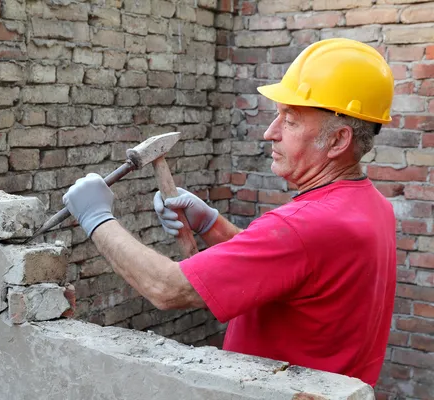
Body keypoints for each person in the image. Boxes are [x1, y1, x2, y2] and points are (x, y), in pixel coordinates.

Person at [62, 38, 396, 387]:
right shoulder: (374, 207)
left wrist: (97, 218)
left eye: (291, 121)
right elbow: (293, 270)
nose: (270, 133)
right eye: (277, 116)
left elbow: (167, 288)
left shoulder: (305, 226)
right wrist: (211, 224)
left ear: (338, 141)